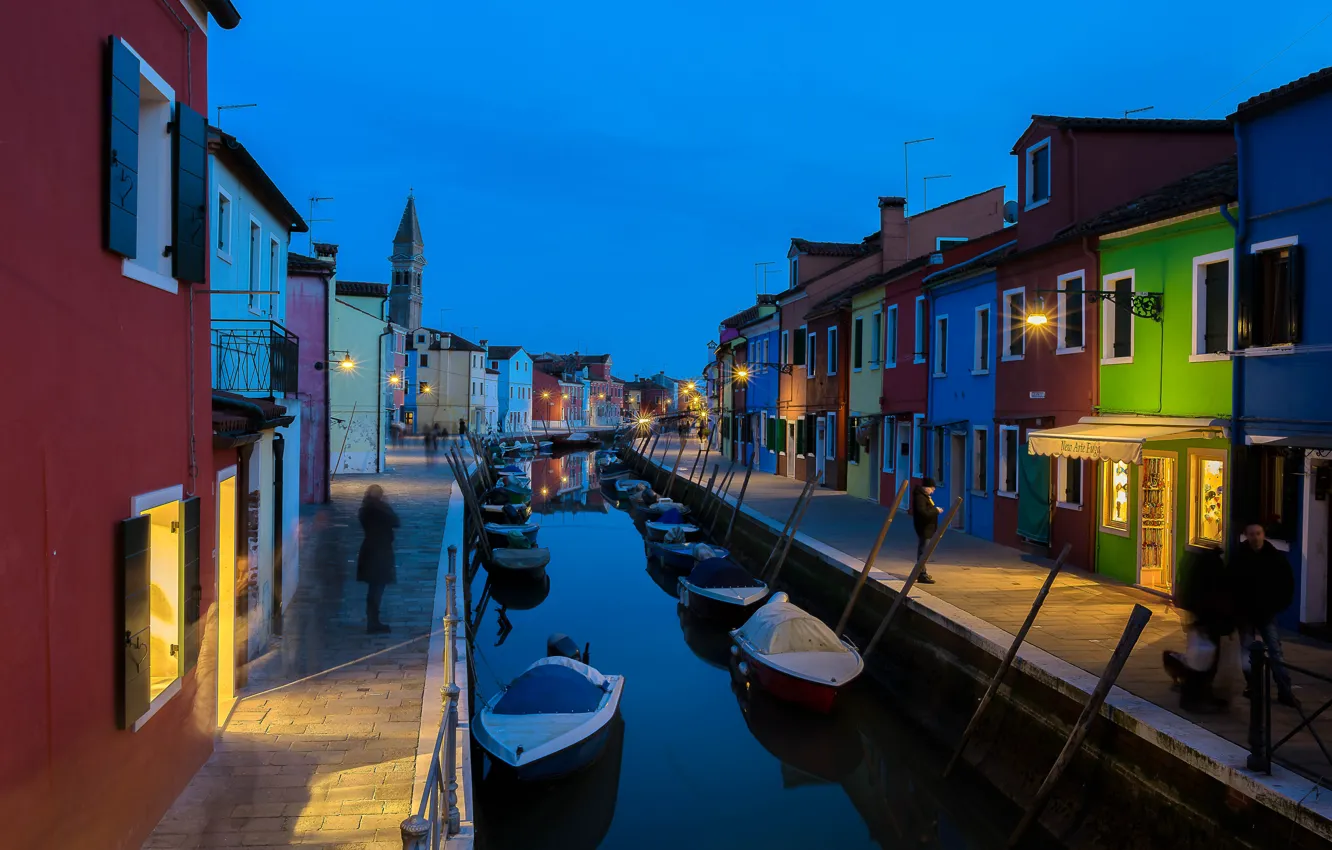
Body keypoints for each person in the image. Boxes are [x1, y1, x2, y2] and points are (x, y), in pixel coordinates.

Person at [1232, 521, 1298, 706]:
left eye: (1258, 533)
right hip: (1244, 614)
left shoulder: (1274, 557)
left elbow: (1286, 583)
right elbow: (1230, 584)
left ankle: (1285, 691)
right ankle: (1253, 686)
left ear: (1263, 534)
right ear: (1246, 535)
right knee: (1246, 653)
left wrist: (1277, 605)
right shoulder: (1239, 557)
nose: (1255, 537)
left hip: (1266, 613)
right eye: (1251, 534)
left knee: (1276, 652)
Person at [357, 485, 400, 634]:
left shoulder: (364, 510)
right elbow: (396, 521)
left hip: (368, 550)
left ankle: (372, 620)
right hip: (380, 552)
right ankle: (373, 622)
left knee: (373, 588)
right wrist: (386, 505)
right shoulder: (380, 510)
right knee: (377, 588)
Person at [911, 478, 941, 584]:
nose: (933, 491)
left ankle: (920, 572)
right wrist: (936, 510)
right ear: (926, 488)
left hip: (927, 528)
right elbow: (923, 513)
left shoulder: (924, 497)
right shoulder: (920, 498)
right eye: (932, 489)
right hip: (924, 528)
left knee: (924, 550)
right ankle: (921, 574)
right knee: (923, 551)